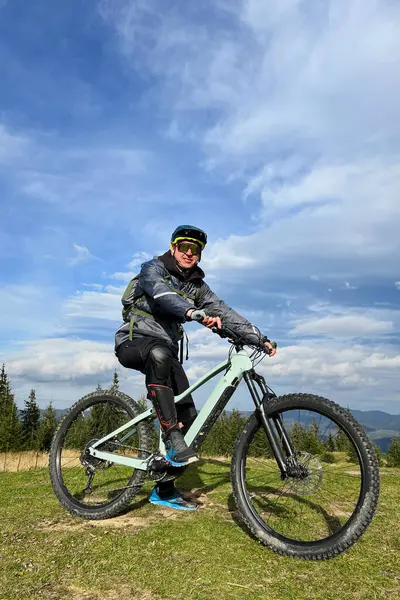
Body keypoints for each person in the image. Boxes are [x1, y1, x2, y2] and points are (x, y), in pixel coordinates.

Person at [115, 225, 276, 510]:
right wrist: (192, 312)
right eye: (184, 247)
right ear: (173, 248)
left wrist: (258, 338)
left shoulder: (197, 286)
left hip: (167, 351)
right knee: (159, 356)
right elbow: (162, 294)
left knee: (188, 415)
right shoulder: (153, 269)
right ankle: (170, 436)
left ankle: (164, 489)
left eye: (196, 250)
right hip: (135, 340)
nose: (190, 253)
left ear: (199, 255)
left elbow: (224, 312)